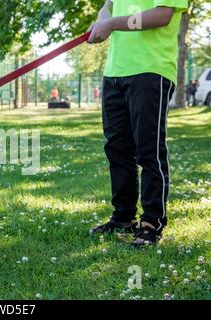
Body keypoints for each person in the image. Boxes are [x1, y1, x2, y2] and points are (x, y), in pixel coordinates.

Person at [88, 0, 188, 246]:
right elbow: (108, 5)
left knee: (148, 150)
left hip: (150, 69)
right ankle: (122, 217)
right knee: (117, 149)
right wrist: (102, 21)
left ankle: (152, 222)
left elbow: (162, 15)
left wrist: (111, 24)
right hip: (114, 72)